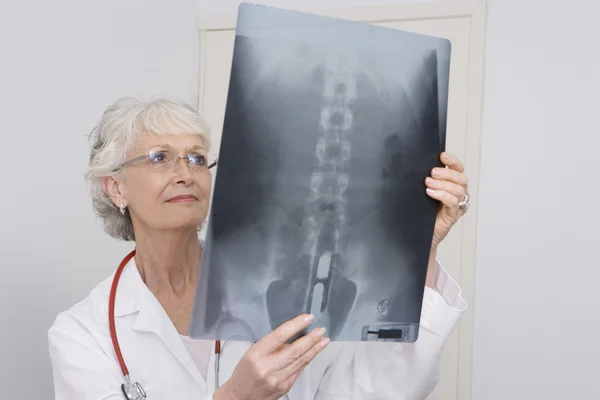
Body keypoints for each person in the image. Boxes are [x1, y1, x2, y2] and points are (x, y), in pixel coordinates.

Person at [48, 97, 469, 400]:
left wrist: (424, 245)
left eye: (197, 159)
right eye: (160, 158)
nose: (185, 174)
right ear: (115, 186)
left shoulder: (282, 291)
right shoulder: (84, 333)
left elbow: (376, 391)